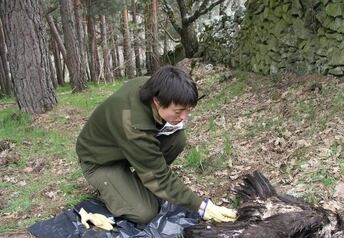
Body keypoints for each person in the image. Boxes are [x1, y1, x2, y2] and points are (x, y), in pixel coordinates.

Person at [76, 65, 237, 227]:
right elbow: (160, 176)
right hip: (100, 162)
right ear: (157, 101)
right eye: (178, 111)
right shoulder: (133, 124)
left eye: (188, 111)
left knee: (177, 139)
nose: (184, 117)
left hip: (124, 148)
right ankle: (115, 187)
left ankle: (136, 183)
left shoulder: (154, 86)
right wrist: (202, 207)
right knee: (145, 213)